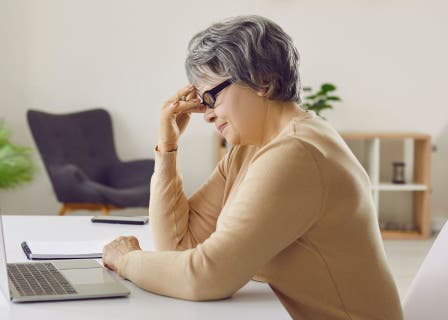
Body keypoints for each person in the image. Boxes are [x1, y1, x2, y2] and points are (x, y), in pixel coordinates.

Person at [102, 15, 402, 319]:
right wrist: (168, 148)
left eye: (212, 98)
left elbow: (206, 277)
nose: (205, 115)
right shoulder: (250, 149)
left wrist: (128, 260)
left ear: (262, 80)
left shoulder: (297, 153)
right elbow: (180, 246)